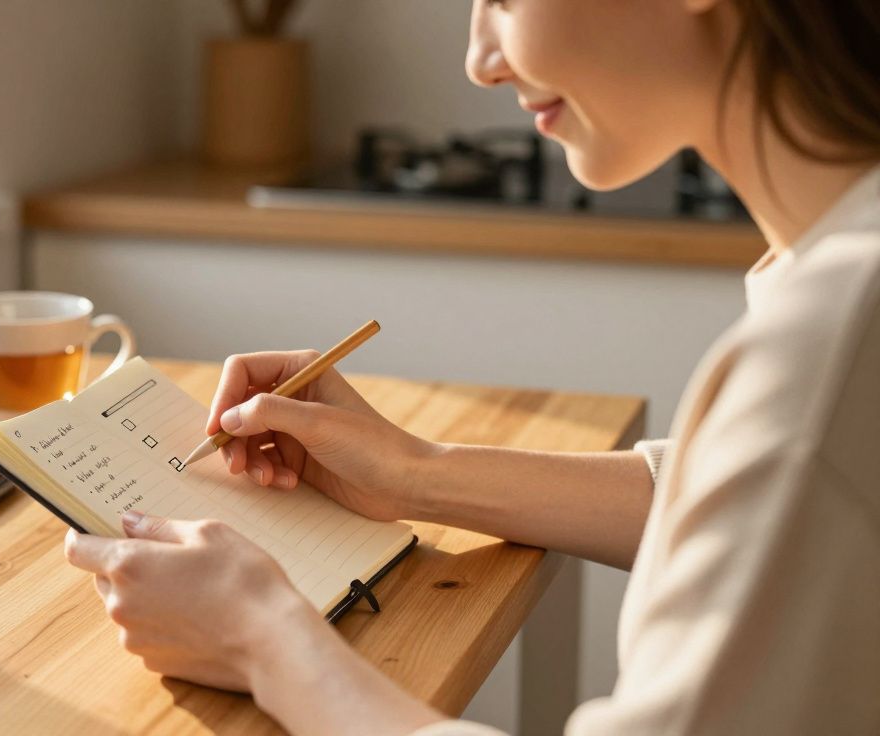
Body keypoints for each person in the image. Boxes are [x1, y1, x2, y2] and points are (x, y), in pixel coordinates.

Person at [63, 0, 880, 732]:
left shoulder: (837, 335)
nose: (480, 58)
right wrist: (416, 474)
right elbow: (762, 506)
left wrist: (266, 644)